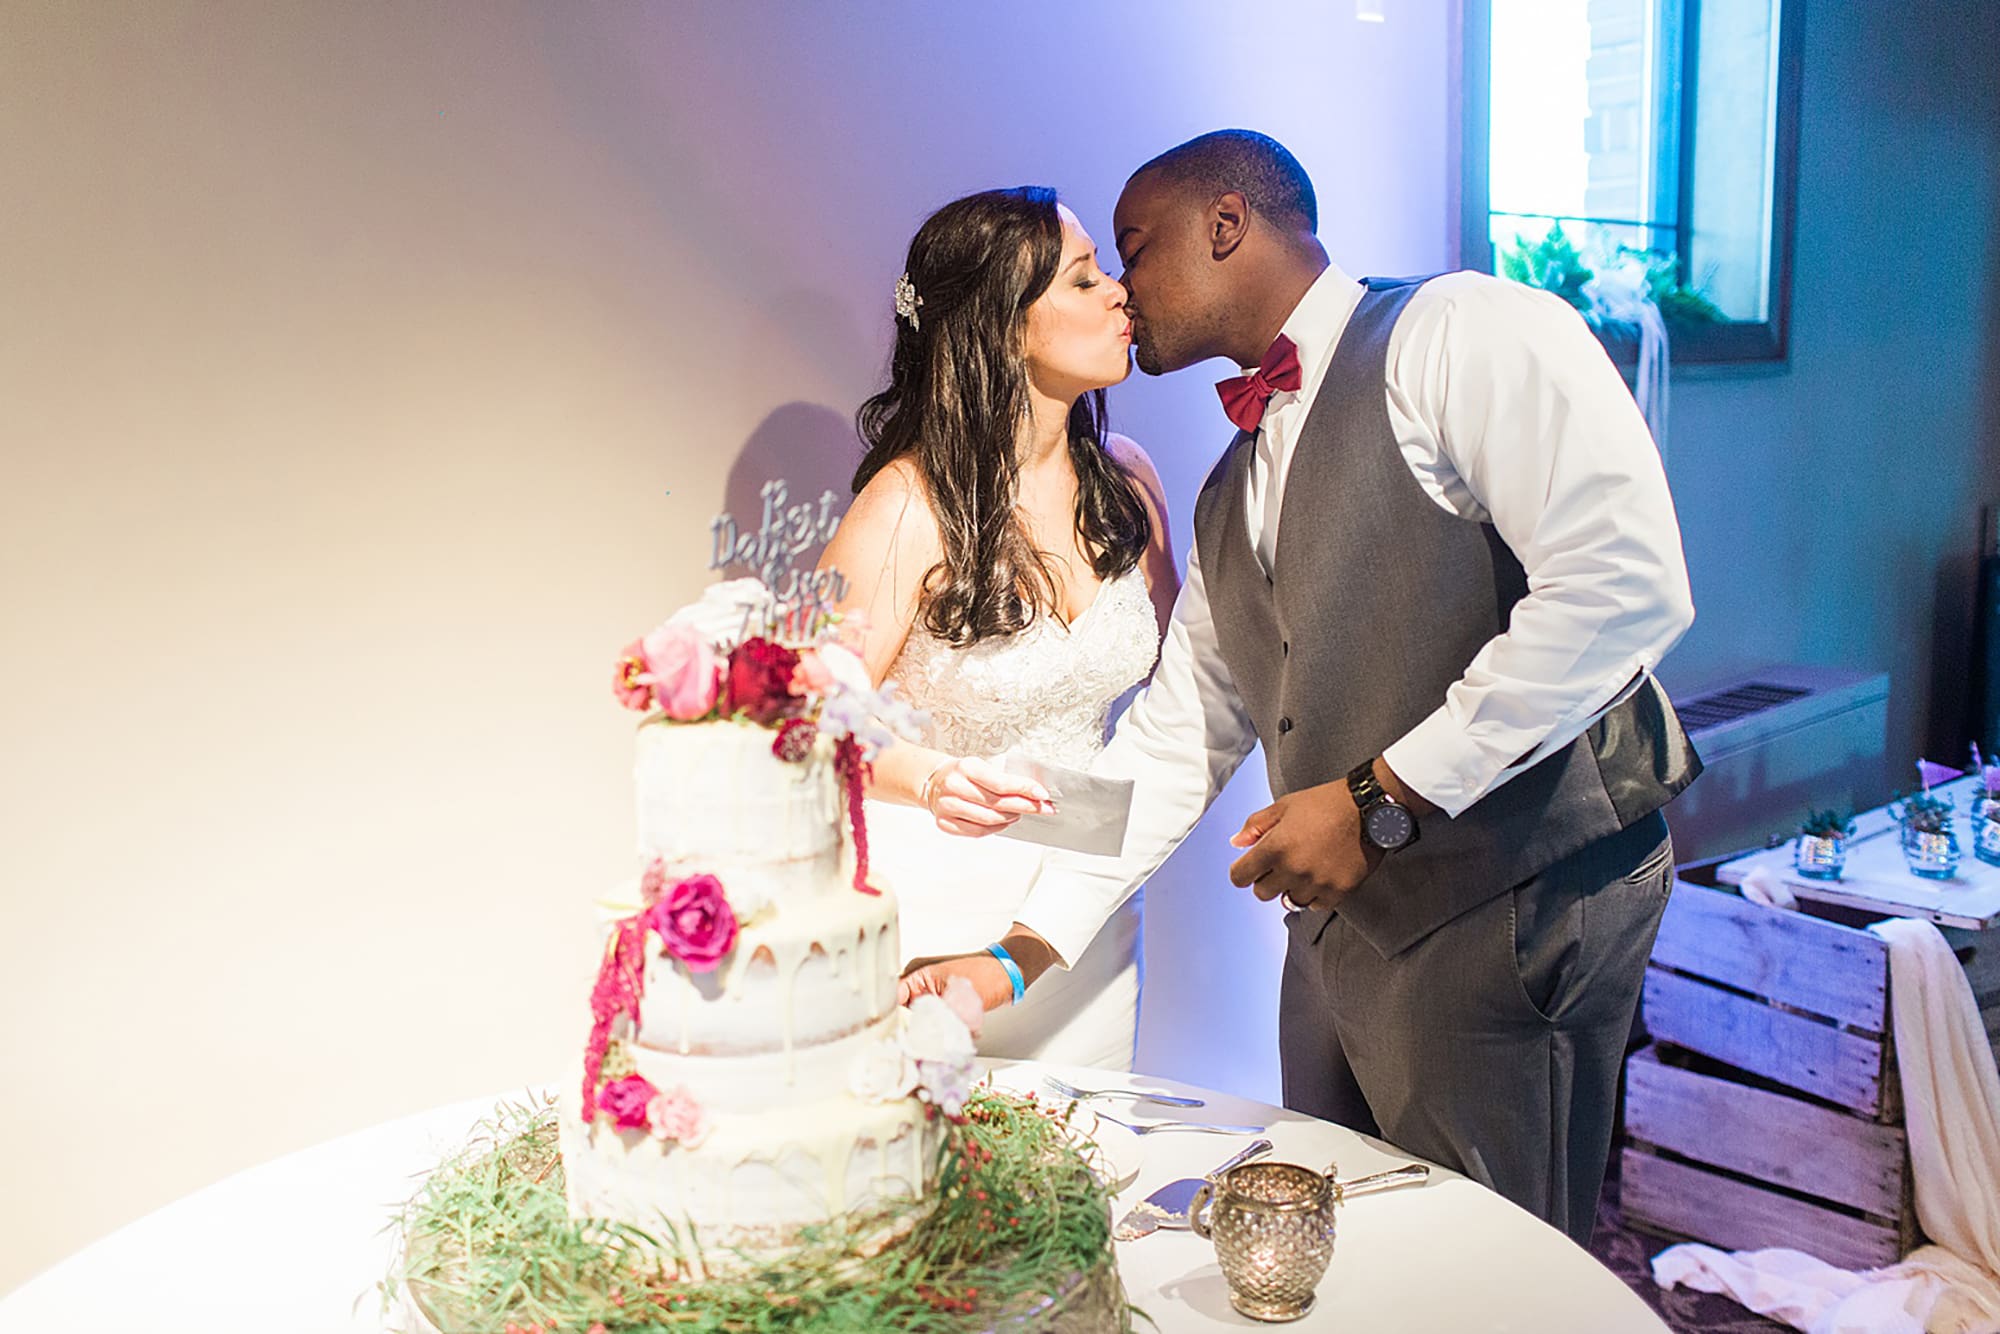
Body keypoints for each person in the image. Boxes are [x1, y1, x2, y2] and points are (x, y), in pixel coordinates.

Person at [900, 131, 1703, 1244]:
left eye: (1129, 248)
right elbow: (1168, 743)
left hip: (1518, 904)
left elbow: (1623, 587)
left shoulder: (1458, 332)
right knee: (1345, 1262)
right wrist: (1013, 949)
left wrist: (1380, 795)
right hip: (1338, 944)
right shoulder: (1228, 489)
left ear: (1223, 224)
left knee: (1496, 1272)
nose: (1123, 288)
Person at [816, 185, 1179, 1071]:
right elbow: (813, 723)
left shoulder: (1127, 482)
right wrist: (931, 776)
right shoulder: (906, 505)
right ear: (1002, 325)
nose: (1119, 292)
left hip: (1082, 905)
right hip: (937, 896)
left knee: (1077, 1177)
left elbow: (1182, 703)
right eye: (1085, 279)